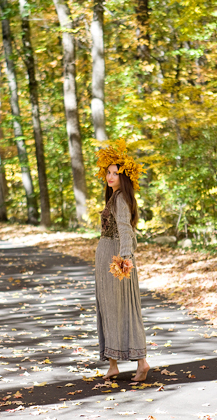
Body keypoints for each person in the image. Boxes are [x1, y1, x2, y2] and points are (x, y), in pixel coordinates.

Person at [95, 140, 149, 381]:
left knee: (124, 310)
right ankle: (114, 365)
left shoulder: (120, 199)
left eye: (115, 173)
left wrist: (125, 260)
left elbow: (127, 231)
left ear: (123, 177)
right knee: (109, 310)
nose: (110, 176)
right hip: (108, 258)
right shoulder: (115, 197)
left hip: (116, 261)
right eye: (108, 172)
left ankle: (141, 362)